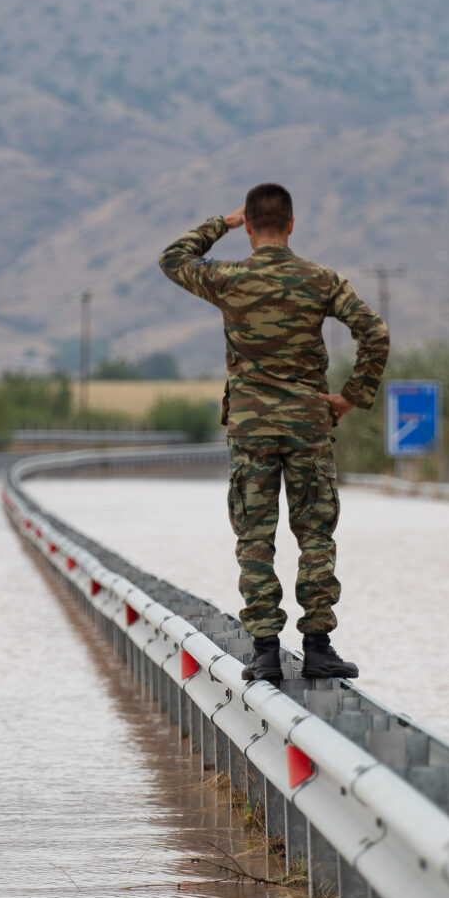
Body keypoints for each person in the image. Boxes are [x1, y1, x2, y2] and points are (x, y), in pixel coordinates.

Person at [159, 182, 389, 684]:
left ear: (250, 229)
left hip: (251, 430)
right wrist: (352, 397)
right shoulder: (321, 279)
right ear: (290, 224)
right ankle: (318, 646)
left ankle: (265, 652)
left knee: (255, 538)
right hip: (309, 426)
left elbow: (172, 258)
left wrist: (224, 221)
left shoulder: (229, 278)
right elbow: (375, 332)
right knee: (315, 535)